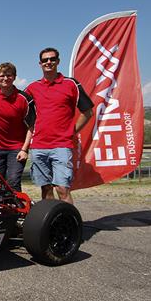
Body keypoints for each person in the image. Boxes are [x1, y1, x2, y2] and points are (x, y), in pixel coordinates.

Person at [24, 47, 94, 203]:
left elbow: (88, 112)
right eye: (45, 60)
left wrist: (72, 131)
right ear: (40, 64)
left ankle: (70, 225)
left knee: (62, 189)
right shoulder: (32, 88)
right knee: (46, 188)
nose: (48, 62)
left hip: (61, 146)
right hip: (39, 146)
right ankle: (50, 226)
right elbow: (15, 98)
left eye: (52, 59)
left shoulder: (71, 84)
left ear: (58, 61)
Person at [0, 62, 33, 192]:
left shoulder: (24, 98)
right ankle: (2, 211)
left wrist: (25, 149)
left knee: (13, 182)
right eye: (2, 75)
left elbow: (31, 126)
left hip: (16, 149)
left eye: (9, 75)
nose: (5, 78)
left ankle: (19, 210)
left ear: (14, 77)